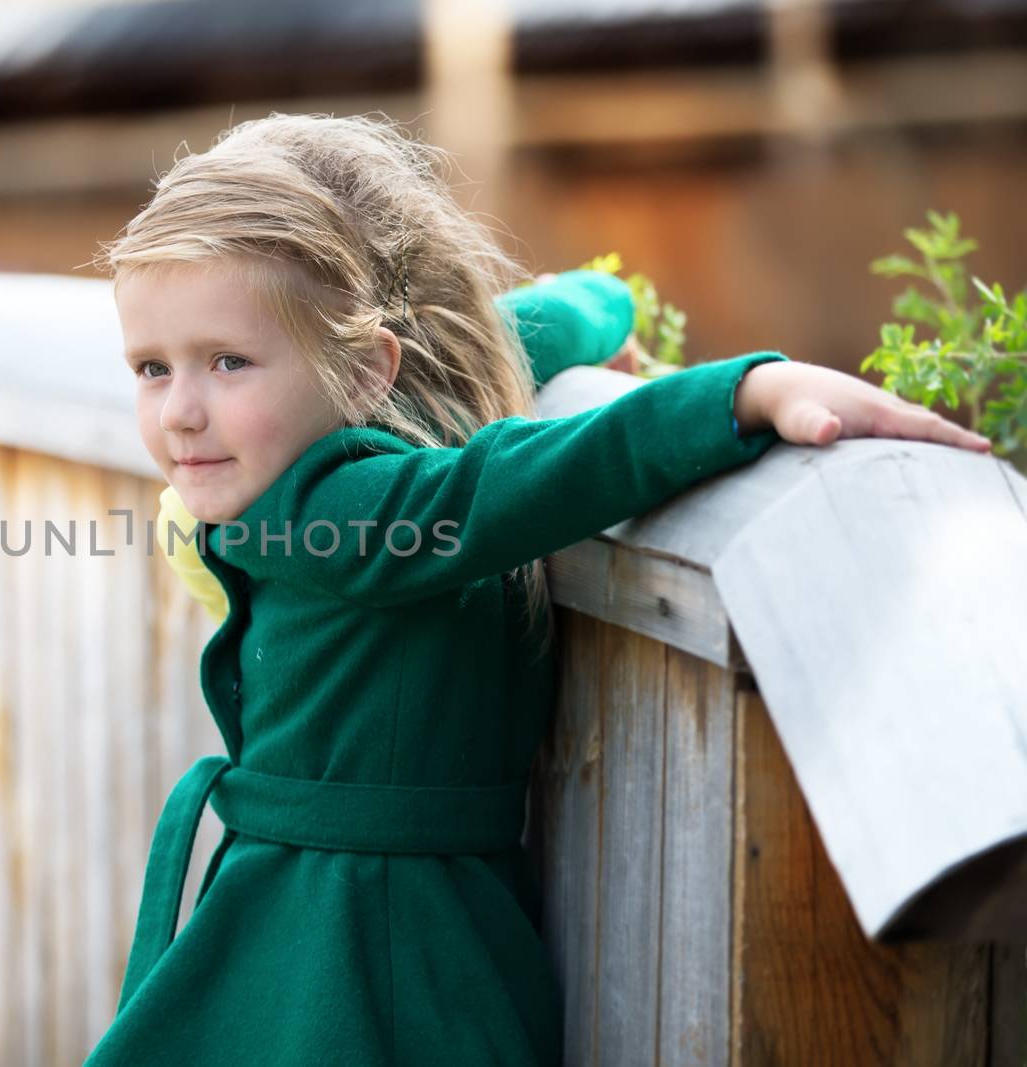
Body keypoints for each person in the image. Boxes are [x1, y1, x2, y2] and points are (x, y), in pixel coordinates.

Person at [84, 112, 992, 1067]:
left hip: (365, 934)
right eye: (153, 368)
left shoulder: (341, 485)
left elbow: (518, 390)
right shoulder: (328, 497)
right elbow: (511, 429)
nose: (182, 411)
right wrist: (692, 365)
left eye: (228, 361)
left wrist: (669, 348)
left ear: (366, 369)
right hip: (345, 940)